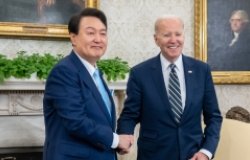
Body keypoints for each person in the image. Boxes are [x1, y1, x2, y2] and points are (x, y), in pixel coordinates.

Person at [117, 15, 222, 160]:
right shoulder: (140, 73)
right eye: (167, 35)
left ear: (183, 36)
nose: (173, 40)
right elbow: (130, 115)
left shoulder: (201, 70)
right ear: (156, 39)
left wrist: (206, 151)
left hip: (193, 155)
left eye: (178, 34)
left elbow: (214, 117)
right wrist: (124, 134)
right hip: (153, 155)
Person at [43, 8, 132, 160]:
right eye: (91, 33)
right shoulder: (64, 72)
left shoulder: (96, 74)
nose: (98, 39)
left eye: (103, 33)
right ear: (73, 38)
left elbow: (101, 120)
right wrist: (116, 140)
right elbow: (76, 122)